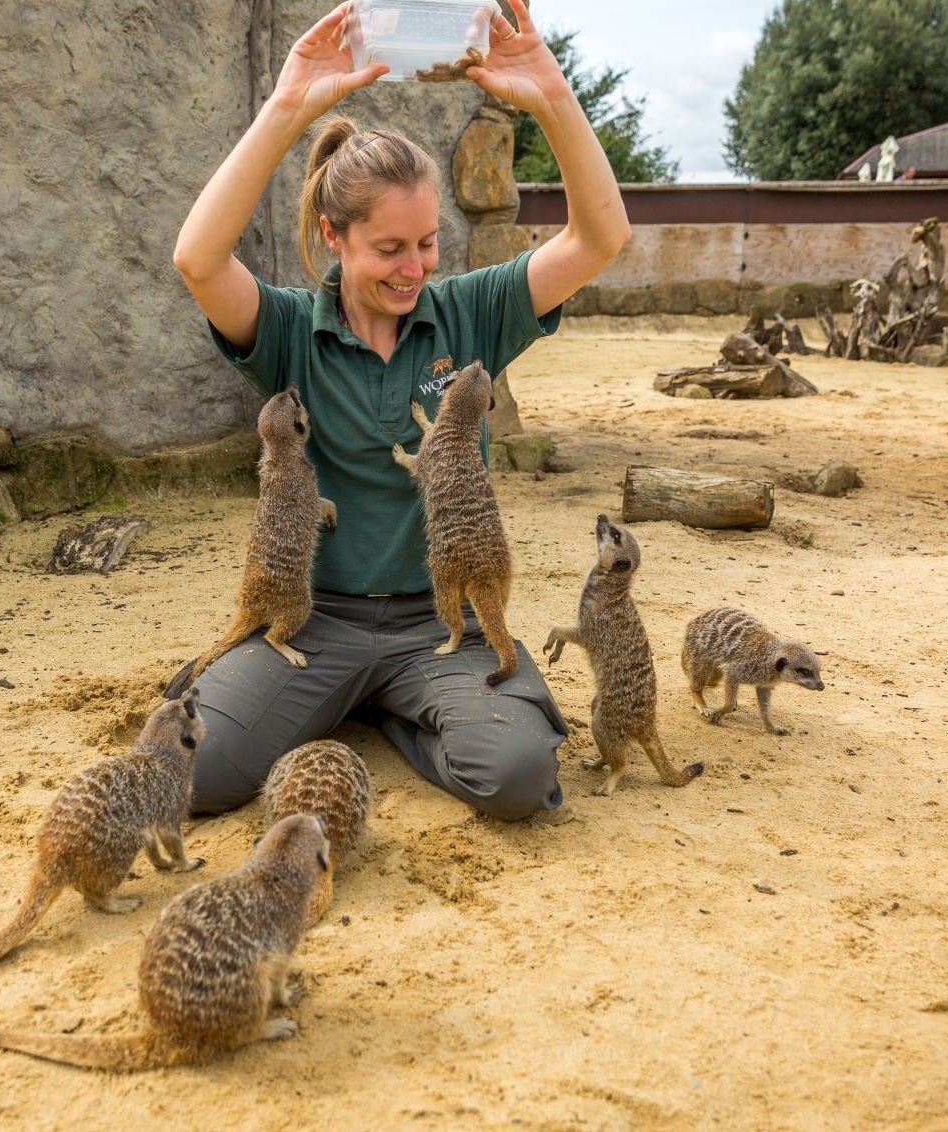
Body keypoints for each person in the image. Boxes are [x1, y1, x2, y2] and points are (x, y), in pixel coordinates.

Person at [169, 0, 629, 822]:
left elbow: (599, 239)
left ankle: (390, 703)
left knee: (519, 777)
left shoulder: (470, 311)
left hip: (438, 622)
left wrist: (553, 98)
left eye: (426, 244)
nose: (414, 266)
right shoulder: (285, 329)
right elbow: (198, 258)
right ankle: (339, 692)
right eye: (388, 248)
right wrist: (285, 108)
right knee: (190, 774)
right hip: (316, 621)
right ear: (333, 236)